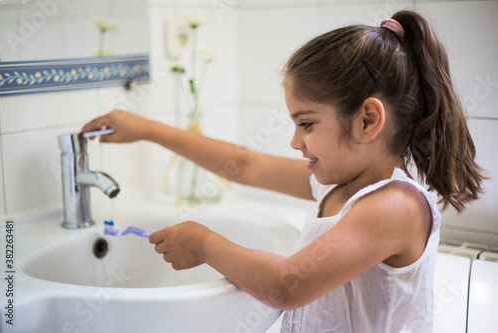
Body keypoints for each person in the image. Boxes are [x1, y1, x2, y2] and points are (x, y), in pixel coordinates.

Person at [82, 10, 485, 332]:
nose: (295, 141)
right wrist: (148, 129)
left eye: (306, 124)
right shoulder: (341, 187)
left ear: (367, 121)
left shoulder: (394, 206)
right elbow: (243, 165)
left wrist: (204, 243)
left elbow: (285, 285)